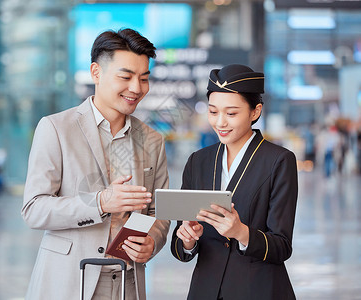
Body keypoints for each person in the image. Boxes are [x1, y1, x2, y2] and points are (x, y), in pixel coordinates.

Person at [22, 28, 170, 300]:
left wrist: (153, 242)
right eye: (125, 77)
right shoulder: (56, 128)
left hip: (128, 284)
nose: (136, 88)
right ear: (96, 72)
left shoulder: (152, 140)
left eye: (144, 78)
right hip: (68, 280)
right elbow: (34, 209)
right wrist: (100, 202)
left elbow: (159, 212)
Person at [171, 64, 298, 299]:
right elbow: (180, 246)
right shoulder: (198, 161)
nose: (220, 122)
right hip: (205, 290)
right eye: (212, 112)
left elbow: (282, 246)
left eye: (231, 113)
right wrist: (187, 239)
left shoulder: (279, 161)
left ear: (255, 111)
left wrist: (241, 233)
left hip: (258, 290)